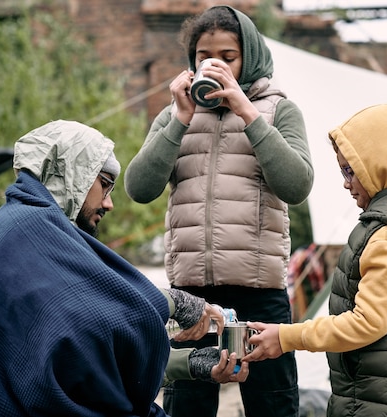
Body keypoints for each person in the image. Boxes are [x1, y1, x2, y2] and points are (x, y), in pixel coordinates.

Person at [0, 120, 248, 417]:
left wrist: (190, 362)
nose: (109, 203)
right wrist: (178, 303)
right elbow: (101, 319)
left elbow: (86, 352)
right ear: (73, 175)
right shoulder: (25, 232)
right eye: (104, 185)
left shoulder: (32, 228)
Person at [124, 5, 313, 417]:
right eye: (204, 58)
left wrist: (248, 111)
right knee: (186, 407)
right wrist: (178, 122)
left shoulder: (279, 110)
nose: (216, 66)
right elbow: (138, 189)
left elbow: (297, 187)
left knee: (273, 407)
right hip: (192, 301)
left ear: (249, 56)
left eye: (228, 57)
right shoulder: (175, 115)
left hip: (260, 297)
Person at [243, 103, 387, 416]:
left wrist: (287, 337)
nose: (345, 182)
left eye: (351, 171)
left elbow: (368, 322)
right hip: (381, 397)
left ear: (381, 166)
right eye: (343, 171)